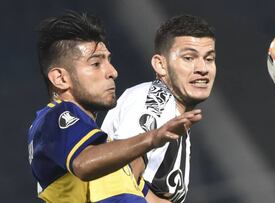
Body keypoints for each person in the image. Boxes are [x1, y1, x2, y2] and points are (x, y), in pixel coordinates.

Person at [27, 11, 202, 203]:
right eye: (96, 63)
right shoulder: (53, 118)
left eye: (108, 61)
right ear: (60, 78)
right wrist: (154, 136)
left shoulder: (108, 154)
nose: (112, 72)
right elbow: (84, 164)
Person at [101, 14, 216, 203]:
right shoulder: (154, 102)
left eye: (209, 59)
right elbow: (120, 177)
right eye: (189, 58)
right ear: (160, 65)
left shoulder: (173, 112)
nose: (202, 68)